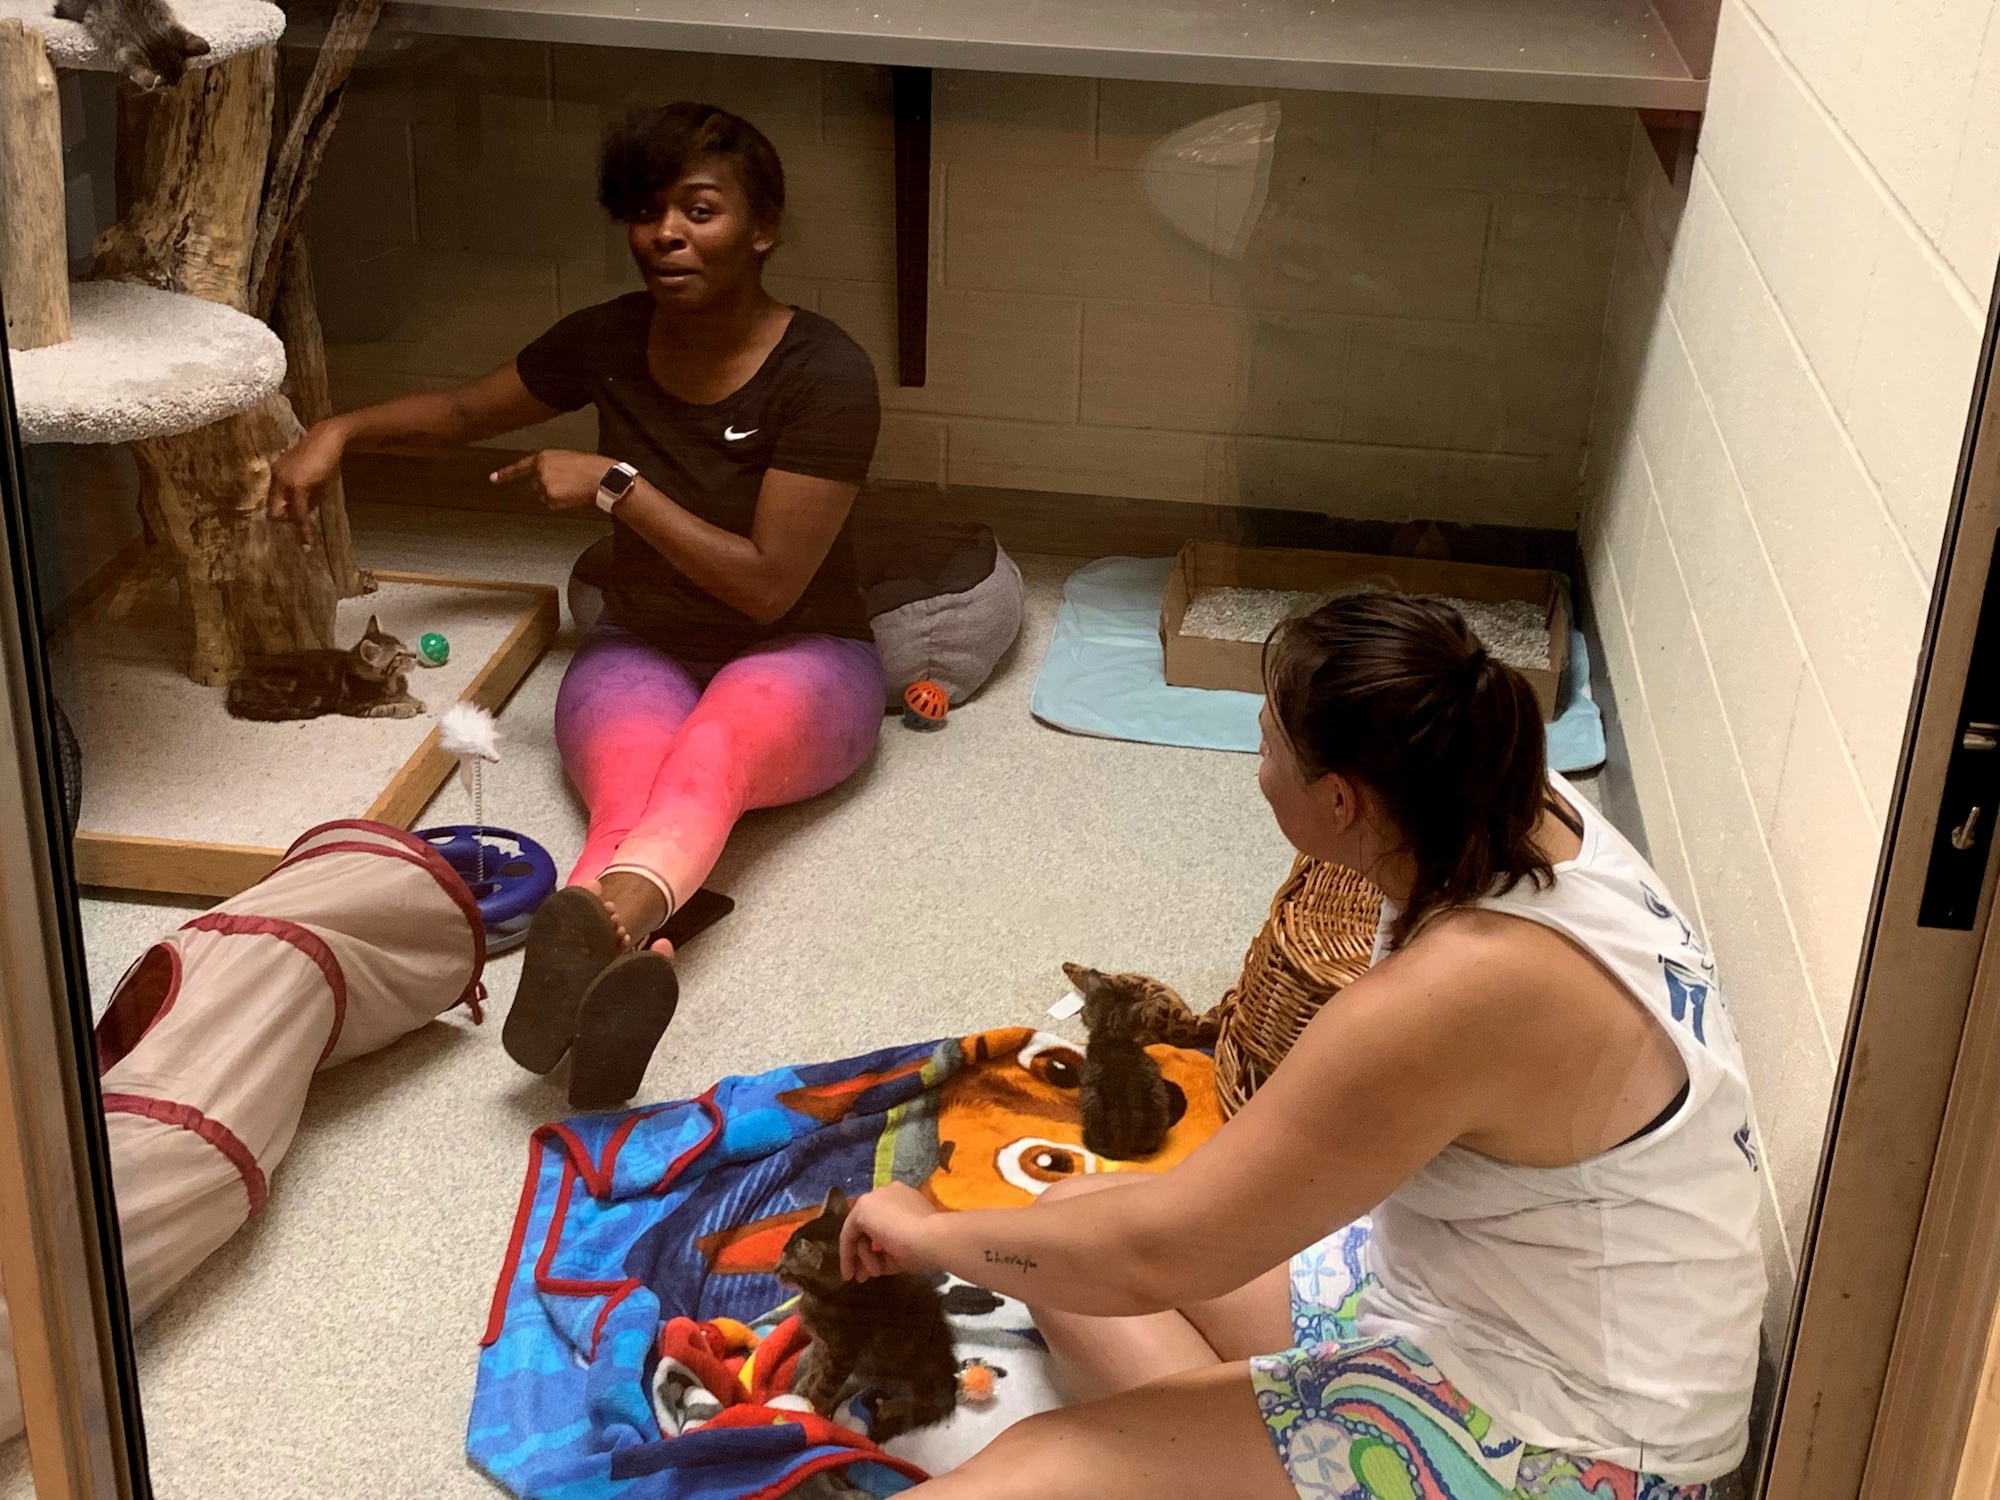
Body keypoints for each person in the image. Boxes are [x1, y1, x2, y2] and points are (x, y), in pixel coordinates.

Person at [839, 592, 1765, 1500]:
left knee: (1034, 1467)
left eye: (1266, 742)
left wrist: (933, 1235)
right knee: (1071, 1222)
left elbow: (1160, 1256)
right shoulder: (1509, 801)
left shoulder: (1453, 994)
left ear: (1340, 801)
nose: (1255, 764)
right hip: (1499, 1303)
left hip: (1586, 1441)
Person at [268, 103, 886, 1108]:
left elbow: (769, 580)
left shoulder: (825, 373)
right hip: (641, 638)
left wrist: (616, 486)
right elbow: (466, 413)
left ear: (761, 227)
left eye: (700, 210)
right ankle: (613, 963)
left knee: (712, 752)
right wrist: (338, 429)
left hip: (805, 649)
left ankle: (600, 926)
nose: (667, 235)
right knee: (636, 789)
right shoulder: (607, 336)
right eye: (647, 212)